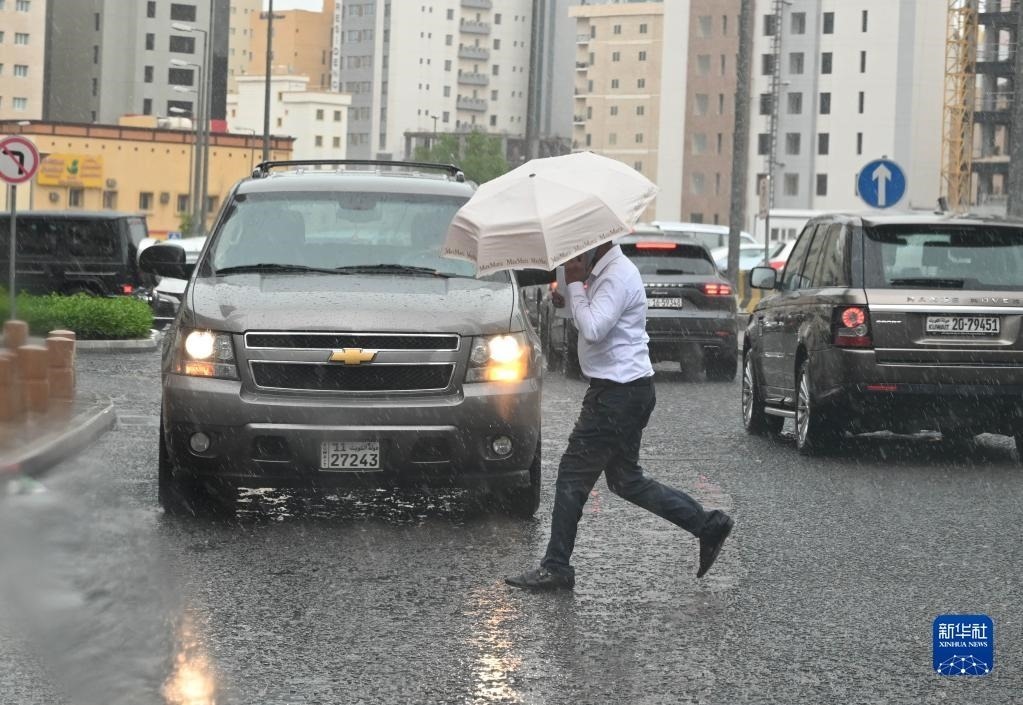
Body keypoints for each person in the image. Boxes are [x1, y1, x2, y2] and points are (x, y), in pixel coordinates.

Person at [505, 241, 734, 590]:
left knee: (572, 476)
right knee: (626, 481)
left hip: (617, 394)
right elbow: (595, 322)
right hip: (627, 390)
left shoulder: (616, 275)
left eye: (582, 243)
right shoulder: (606, 273)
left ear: (598, 242)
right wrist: (572, 296)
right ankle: (708, 525)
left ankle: (556, 566)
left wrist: (575, 286)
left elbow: (594, 329)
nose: (576, 249)